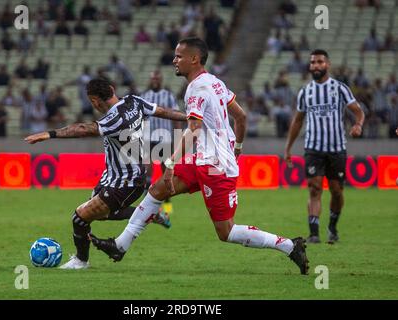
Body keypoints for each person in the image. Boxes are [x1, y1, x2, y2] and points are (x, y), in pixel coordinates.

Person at [89, 37, 309, 275]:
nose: (174, 60)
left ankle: (290, 246)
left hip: (215, 166)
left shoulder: (197, 88)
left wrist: (171, 163)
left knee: (226, 232)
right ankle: (120, 246)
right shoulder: (215, 83)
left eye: (179, 56)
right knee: (158, 190)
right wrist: (238, 146)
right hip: (205, 159)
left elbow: (193, 129)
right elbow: (241, 117)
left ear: (194, 59)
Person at [24, 77, 188, 269]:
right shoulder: (133, 101)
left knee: (79, 218)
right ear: (112, 88)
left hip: (124, 182)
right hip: (119, 177)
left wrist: (50, 134)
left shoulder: (113, 119)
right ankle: (150, 214)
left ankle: (80, 261)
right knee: (100, 214)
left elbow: (84, 129)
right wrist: (189, 117)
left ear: (94, 100)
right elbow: (162, 111)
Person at [284, 49, 365, 244]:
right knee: (314, 188)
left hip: (337, 148)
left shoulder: (340, 88)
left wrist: (358, 125)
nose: (316, 66)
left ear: (327, 65)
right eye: (312, 63)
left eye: (320, 62)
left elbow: (358, 112)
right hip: (313, 148)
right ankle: (313, 233)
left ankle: (333, 227)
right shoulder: (305, 92)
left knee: (336, 191)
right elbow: (297, 121)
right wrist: (288, 148)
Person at [141, 70, 181, 215]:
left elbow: (176, 116)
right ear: (150, 80)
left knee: (166, 173)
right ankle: (146, 204)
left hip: (165, 138)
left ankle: (168, 205)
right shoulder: (145, 96)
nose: (155, 80)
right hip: (149, 138)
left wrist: (178, 137)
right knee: (147, 171)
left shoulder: (168, 96)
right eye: (153, 78)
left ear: (161, 79)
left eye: (158, 78)